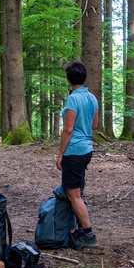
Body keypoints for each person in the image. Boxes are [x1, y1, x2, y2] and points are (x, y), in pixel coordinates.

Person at [56, 60, 99, 248]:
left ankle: (88, 235)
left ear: (68, 79)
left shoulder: (73, 99)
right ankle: (81, 230)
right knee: (76, 191)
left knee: (74, 195)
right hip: (87, 149)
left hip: (74, 150)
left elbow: (68, 130)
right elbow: (95, 125)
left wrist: (60, 154)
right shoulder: (92, 98)